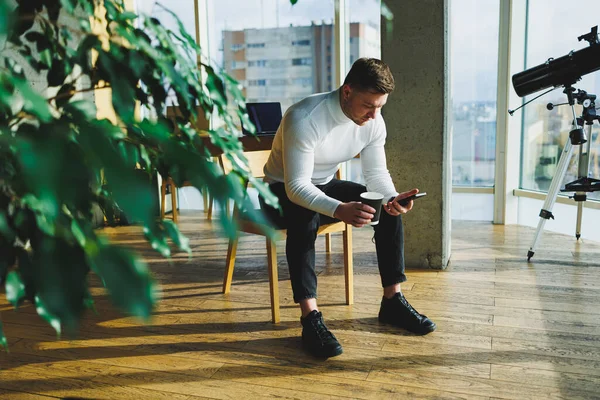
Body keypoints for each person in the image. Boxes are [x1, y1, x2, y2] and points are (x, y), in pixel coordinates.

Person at [261, 58, 436, 359]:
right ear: (347, 91)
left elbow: (377, 176)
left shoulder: (373, 121)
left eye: (380, 106)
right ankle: (310, 317)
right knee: (304, 212)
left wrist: (393, 198)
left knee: (384, 205)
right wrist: (338, 209)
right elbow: (297, 187)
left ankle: (392, 300)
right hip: (278, 191)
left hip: (324, 184)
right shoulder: (305, 118)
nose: (374, 114)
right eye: (369, 105)